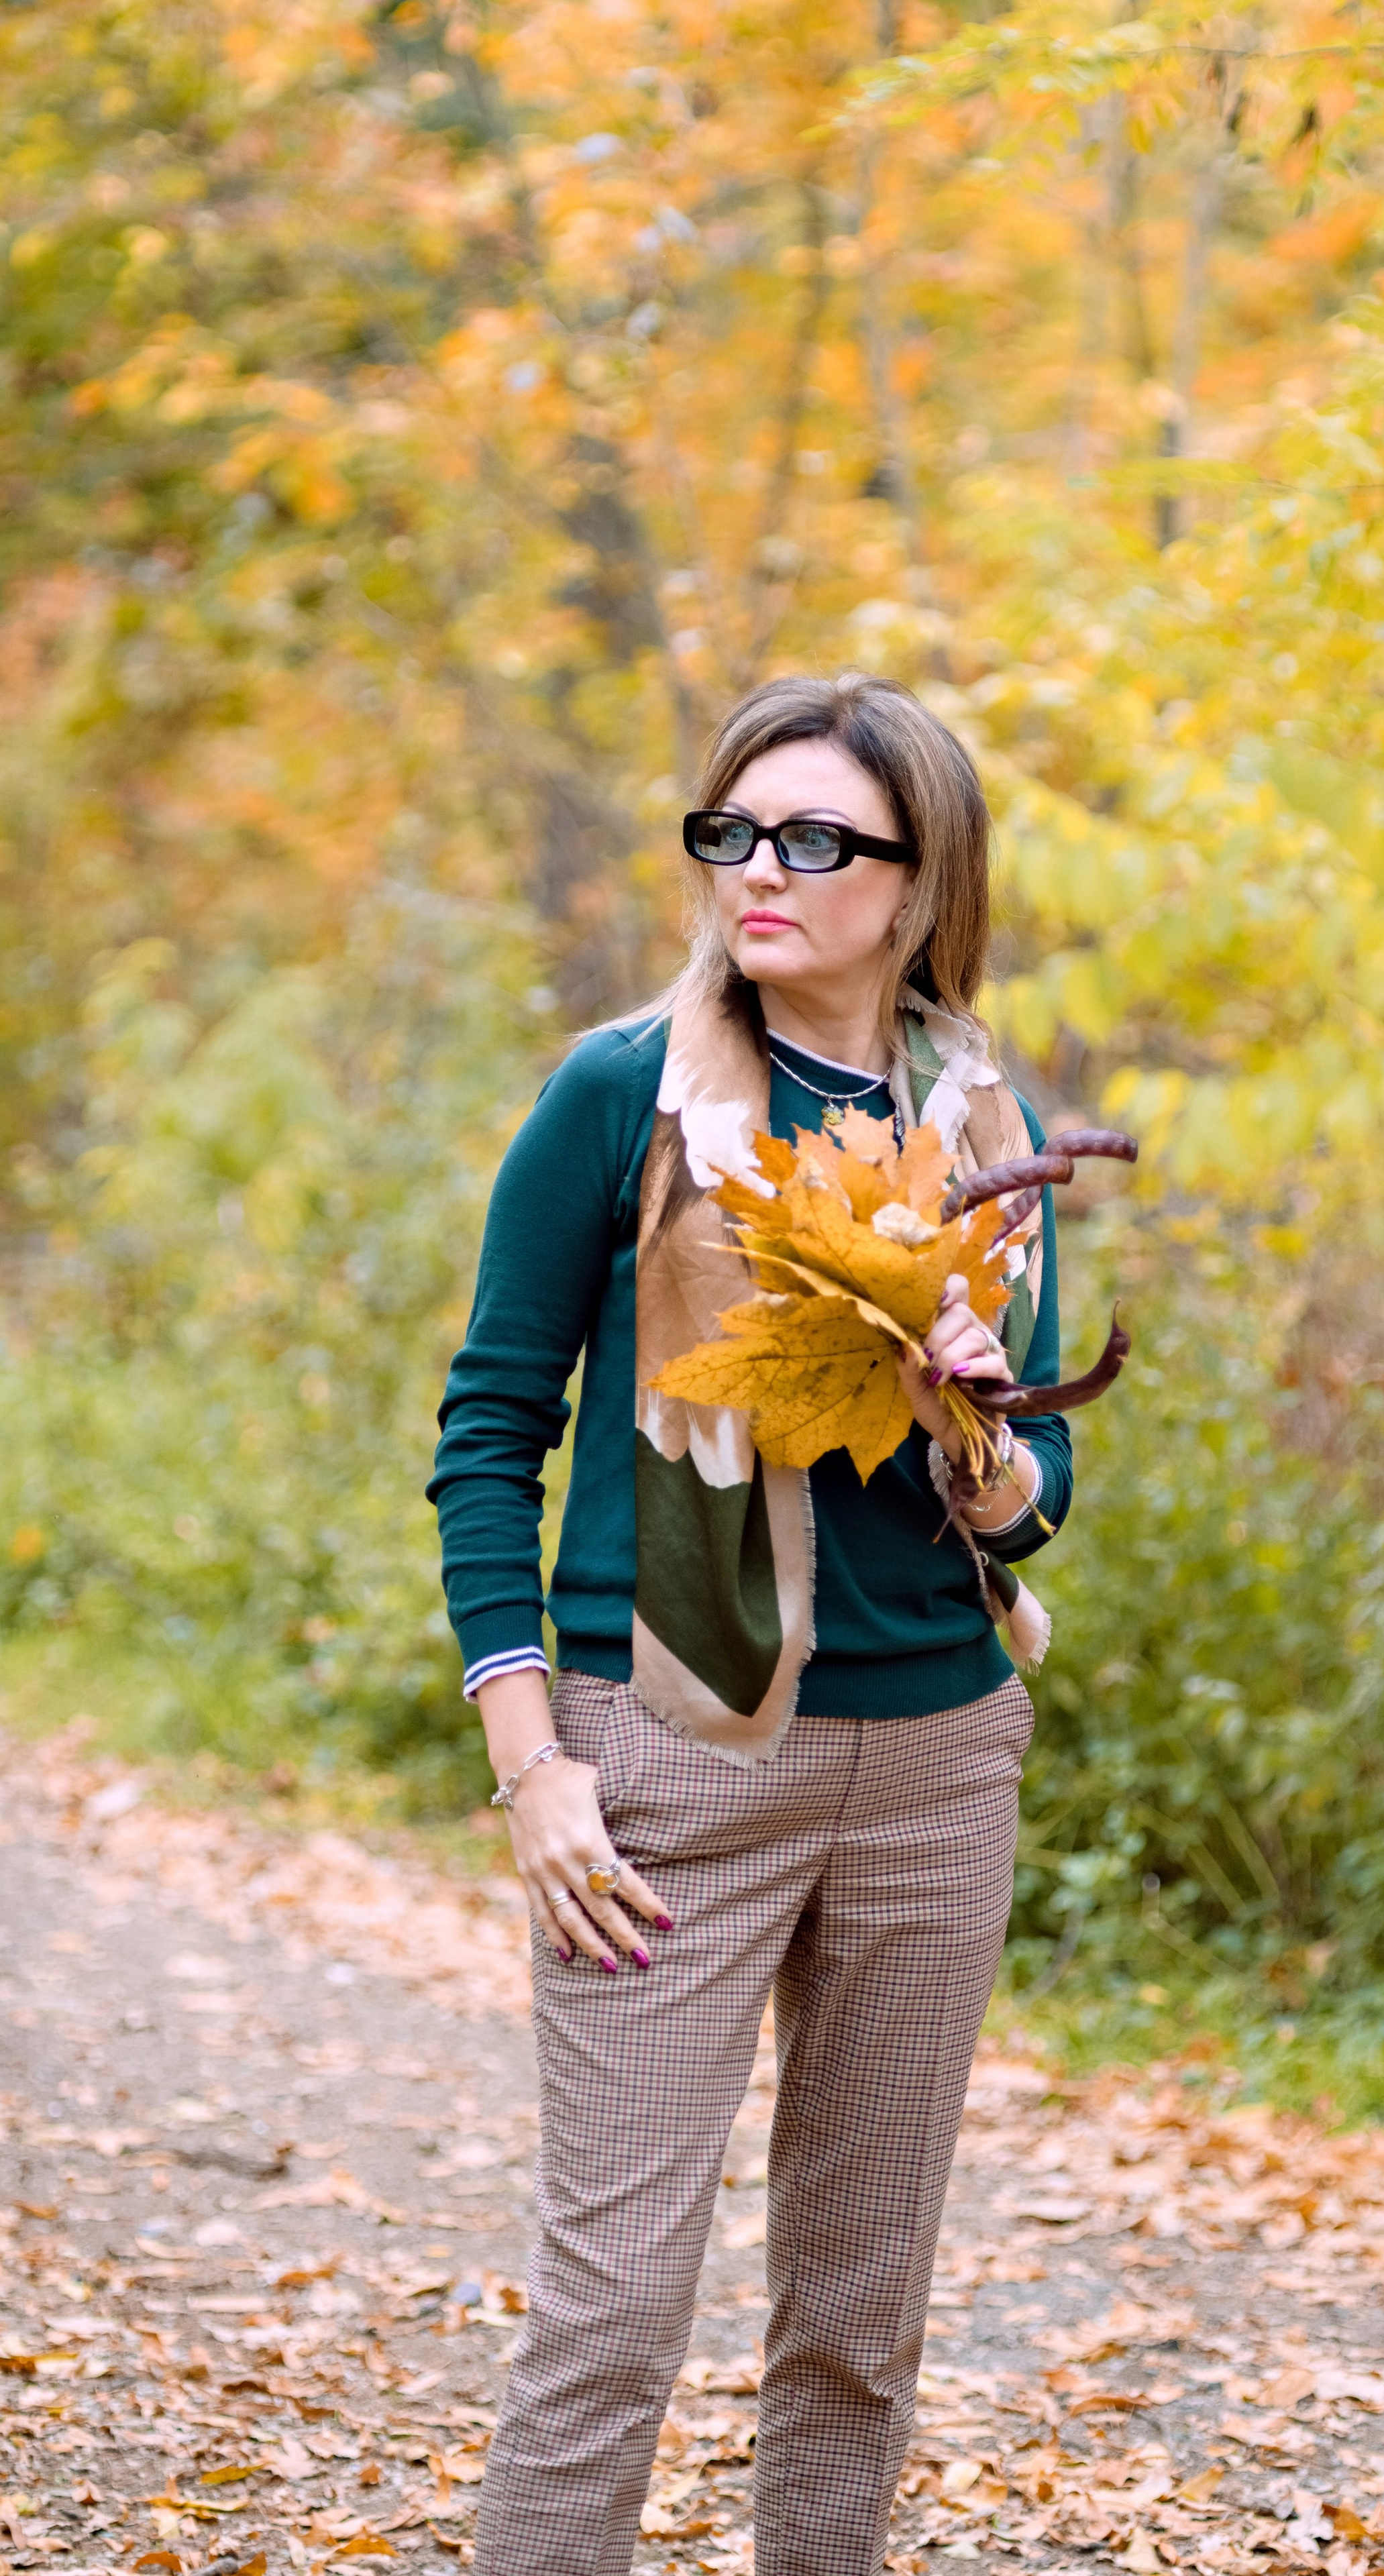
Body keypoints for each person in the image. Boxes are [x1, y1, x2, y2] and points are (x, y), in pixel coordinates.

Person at [429, 669, 1071, 2576]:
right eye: (731, 830)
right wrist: (532, 1763)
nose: (757, 870)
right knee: (610, 2320)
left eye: (814, 840)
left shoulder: (983, 1114)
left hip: (938, 1763)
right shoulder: (623, 1092)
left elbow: (1036, 1510)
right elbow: (489, 1434)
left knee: (856, 2334)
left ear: (919, 873)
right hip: (669, 1755)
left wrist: (979, 1431)